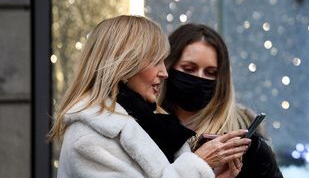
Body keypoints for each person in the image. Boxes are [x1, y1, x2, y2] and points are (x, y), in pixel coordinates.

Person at [50, 15, 252, 178]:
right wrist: (199, 163)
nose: (164, 73)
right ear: (125, 64)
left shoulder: (153, 124)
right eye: (155, 61)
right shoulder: (89, 137)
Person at [159, 23, 283, 178]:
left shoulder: (247, 144)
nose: (199, 78)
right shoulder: (144, 131)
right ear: (167, 68)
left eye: (210, 72)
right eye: (189, 69)